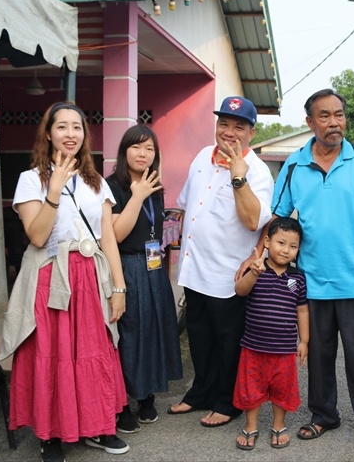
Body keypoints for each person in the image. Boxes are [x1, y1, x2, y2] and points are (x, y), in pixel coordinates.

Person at [267, 88, 354, 457]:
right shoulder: (294, 165)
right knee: (319, 355)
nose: (334, 122)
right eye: (324, 116)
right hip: (311, 280)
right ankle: (324, 415)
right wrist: (266, 259)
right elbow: (279, 219)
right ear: (310, 122)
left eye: (338, 114)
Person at [0, 101, 131, 462]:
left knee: (94, 351)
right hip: (50, 278)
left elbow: (108, 239)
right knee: (53, 355)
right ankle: (51, 433)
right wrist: (54, 189)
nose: (70, 134)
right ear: (48, 133)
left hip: (91, 277)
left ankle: (99, 426)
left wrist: (118, 289)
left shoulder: (96, 181)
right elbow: (38, 237)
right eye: (62, 127)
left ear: (84, 135)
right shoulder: (30, 179)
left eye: (77, 127)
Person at [168, 96, 274, 428]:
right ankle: (200, 392)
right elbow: (187, 205)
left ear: (251, 133)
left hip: (228, 276)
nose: (229, 132)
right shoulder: (202, 157)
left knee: (229, 342)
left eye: (238, 126)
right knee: (199, 336)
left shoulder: (257, 172)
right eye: (224, 123)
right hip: (194, 268)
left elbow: (253, 220)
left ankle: (229, 402)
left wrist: (238, 177)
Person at [106, 125, 183, 434]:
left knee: (155, 329)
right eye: (137, 147)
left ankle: (146, 395)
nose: (143, 154)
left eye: (149, 149)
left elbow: (155, 231)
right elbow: (116, 234)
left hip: (153, 267)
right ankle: (121, 403)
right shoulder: (112, 186)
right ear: (125, 151)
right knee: (128, 334)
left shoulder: (155, 186)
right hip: (125, 265)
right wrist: (137, 197)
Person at [232, 217, 309, 451]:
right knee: (250, 388)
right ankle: (251, 426)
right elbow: (239, 291)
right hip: (253, 347)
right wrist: (253, 274)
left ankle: (278, 425)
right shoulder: (257, 270)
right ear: (267, 241)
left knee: (282, 389)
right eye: (280, 243)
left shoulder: (297, 279)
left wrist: (304, 340)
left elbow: (302, 309)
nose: (286, 250)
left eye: (293, 246)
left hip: (284, 350)